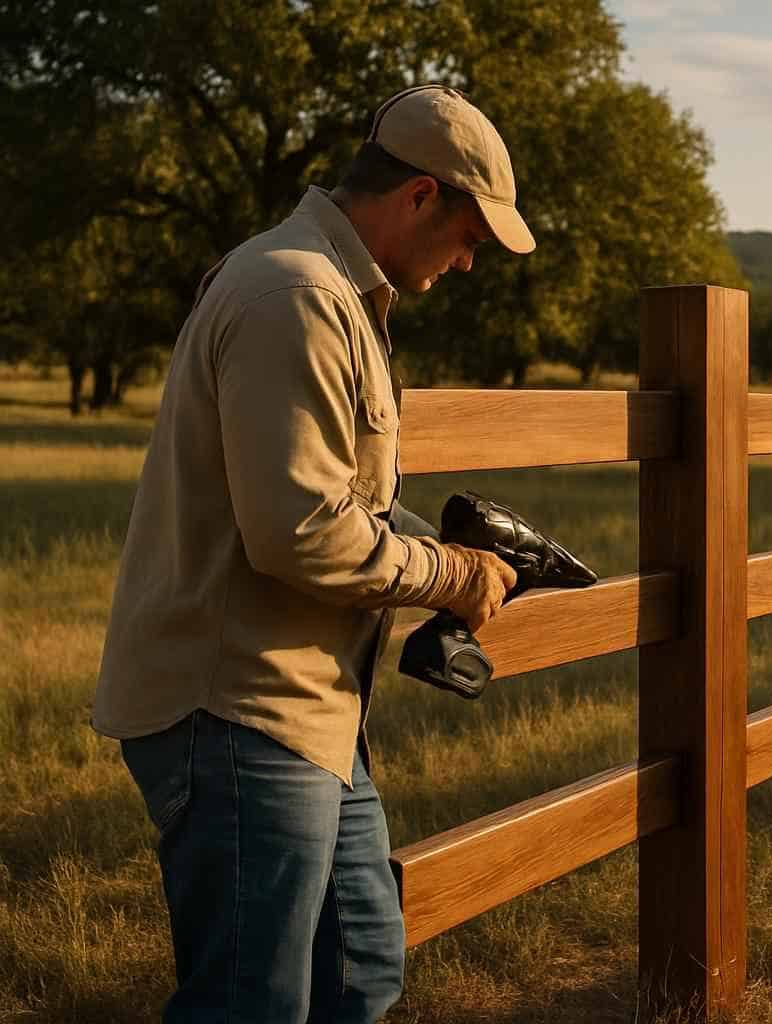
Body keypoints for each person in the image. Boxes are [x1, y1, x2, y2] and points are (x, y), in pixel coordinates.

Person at [91, 85, 533, 1023]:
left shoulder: (331, 291)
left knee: (360, 971)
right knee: (253, 1003)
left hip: (304, 711)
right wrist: (452, 576)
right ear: (420, 196)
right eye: (469, 237)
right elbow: (300, 532)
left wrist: (439, 545)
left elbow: (341, 499)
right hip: (238, 707)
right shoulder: (294, 292)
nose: (466, 262)